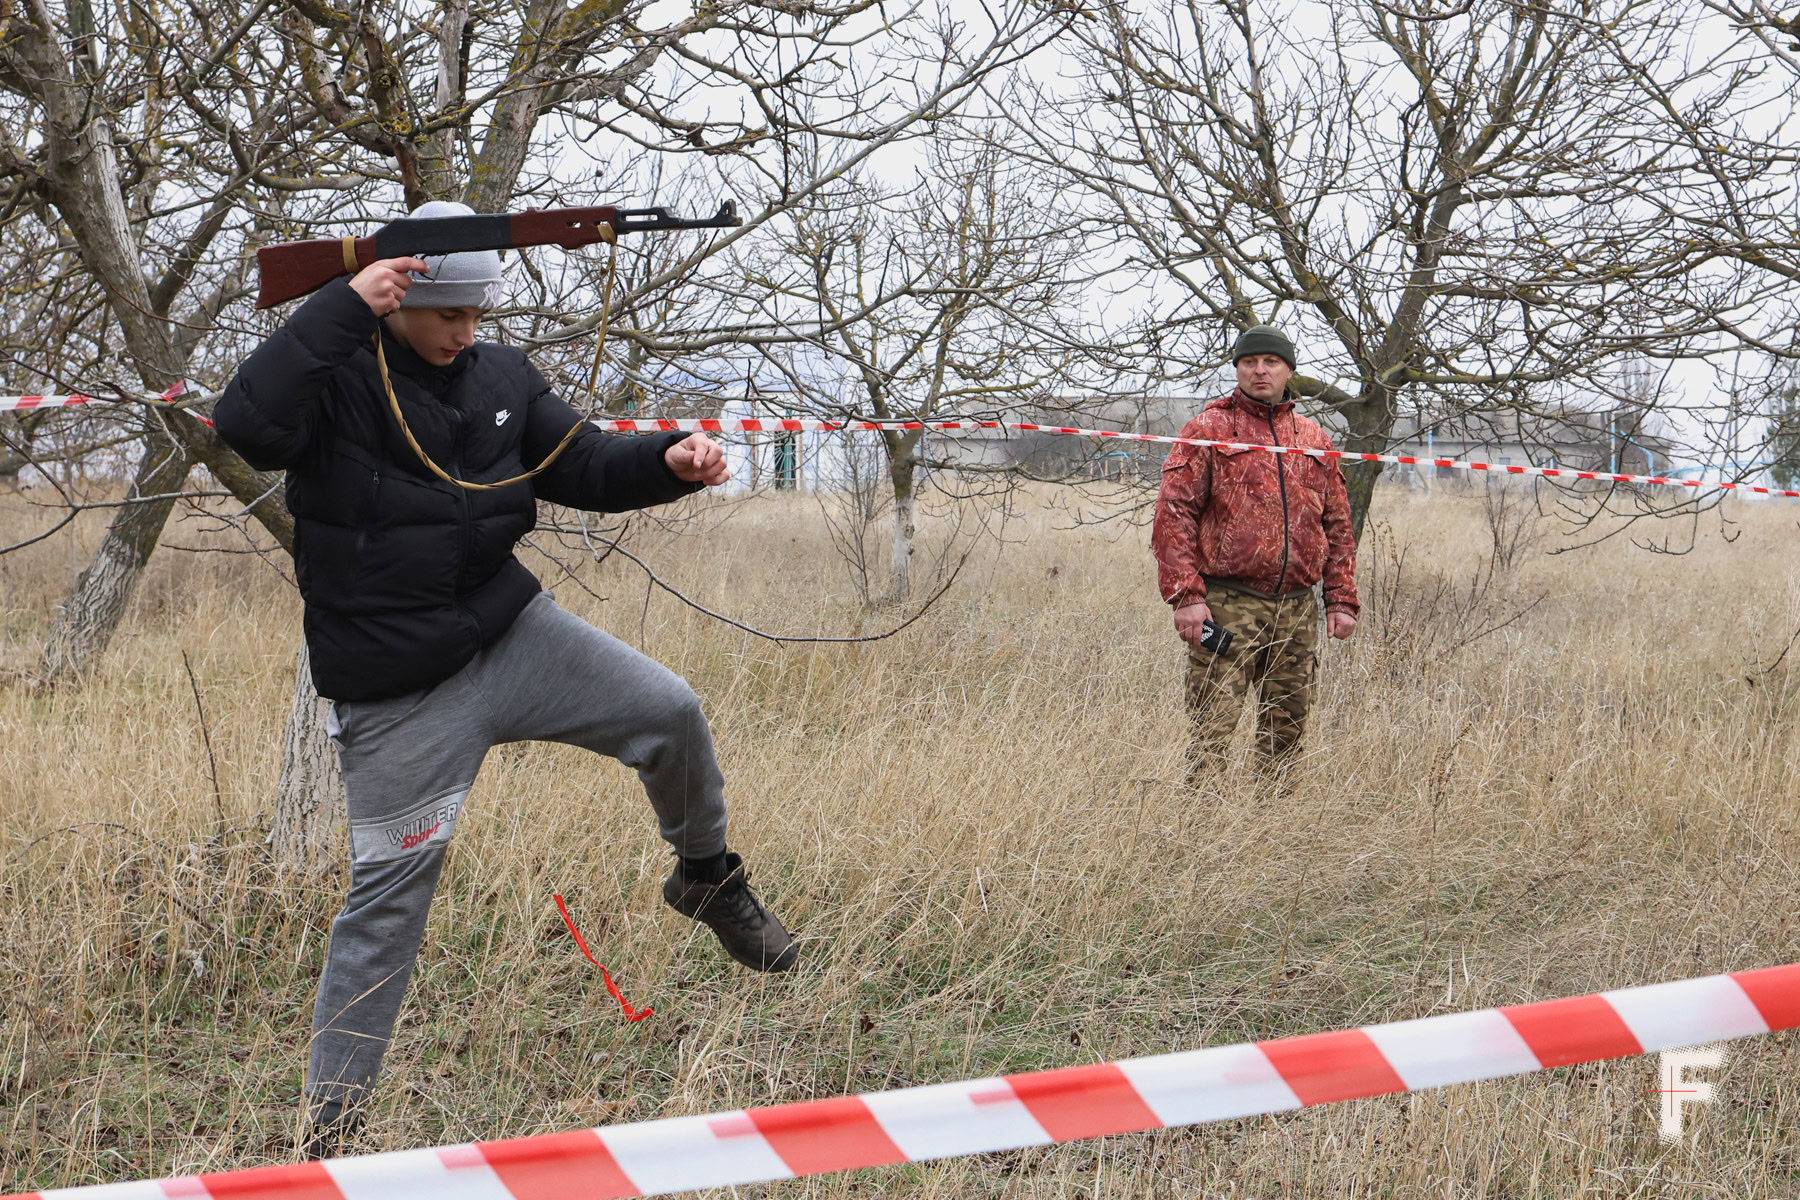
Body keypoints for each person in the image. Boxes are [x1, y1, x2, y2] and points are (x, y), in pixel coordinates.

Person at [213, 201, 797, 1158]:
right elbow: (245, 423)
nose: (466, 334)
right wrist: (342, 302)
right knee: (387, 906)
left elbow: (583, 463)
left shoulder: (499, 374)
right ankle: (332, 1136)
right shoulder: (333, 376)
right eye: (451, 315)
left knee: (670, 710)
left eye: (479, 317)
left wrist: (670, 461)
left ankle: (706, 879)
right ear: (398, 294)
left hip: (511, 630)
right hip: (398, 686)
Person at [1151, 325, 1359, 783]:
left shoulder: (1312, 437)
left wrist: (1340, 599)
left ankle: (1272, 834)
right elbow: (1174, 515)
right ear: (1237, 369)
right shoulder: (1208, 429)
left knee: (1286, 732)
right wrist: (1186, 597)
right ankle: (1202, 834)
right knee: (1212, 729)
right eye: (1249, 362)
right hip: (1227, 605)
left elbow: (1338, 525)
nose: (1259, 370)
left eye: (1271, 362)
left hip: (1297, 609)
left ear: (1289, 370)